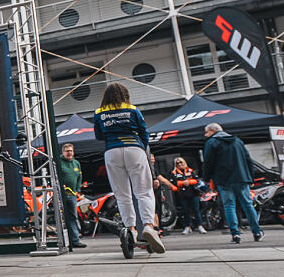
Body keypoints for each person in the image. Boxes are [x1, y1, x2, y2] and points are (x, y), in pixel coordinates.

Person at [93, 83, 164, 253]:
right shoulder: (133, 110)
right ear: (126, 94)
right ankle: (148, 225)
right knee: (144, 191)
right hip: (134, 149)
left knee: (122, 194)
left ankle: (130, 228)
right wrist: (140, 147)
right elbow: (144, 132)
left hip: (111, 151)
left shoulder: (99, 113)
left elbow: (98, 135)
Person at [202, 122, 264, 244]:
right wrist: (250, 177)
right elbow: (248, 160)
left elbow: (208, 162)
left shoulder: (211, 143)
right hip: (241, 178)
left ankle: (235, 234)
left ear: (213, 131)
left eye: (207, 132)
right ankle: (257, 232)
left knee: (229, 206)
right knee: (247, 204)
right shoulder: (237, 141)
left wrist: (207, 178)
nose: (205, 135)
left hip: (223, 179)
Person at [160, 157, 206, 234]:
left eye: (181, 162)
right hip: (182, 194)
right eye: (177, 163)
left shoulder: (190, 171)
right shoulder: (174, 173)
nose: (179, 164)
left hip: (193, 193)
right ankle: (187, 227)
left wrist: (189, 182)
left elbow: (197, 180)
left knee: (196, 210)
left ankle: (200, 226)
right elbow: (173, 183)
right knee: (185, 211)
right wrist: (182, 183)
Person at [56, 142, 84, 248]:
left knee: (73, 216)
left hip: (72, 194)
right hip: (61, 194)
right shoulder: (59, 162)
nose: (69, 153)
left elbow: (79, 177)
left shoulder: (76, 163)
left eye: (71, 151)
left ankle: (75, 240)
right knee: (61, 217)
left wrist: (77, 189)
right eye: (67, 151)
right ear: (63, 152)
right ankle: (64, 241)